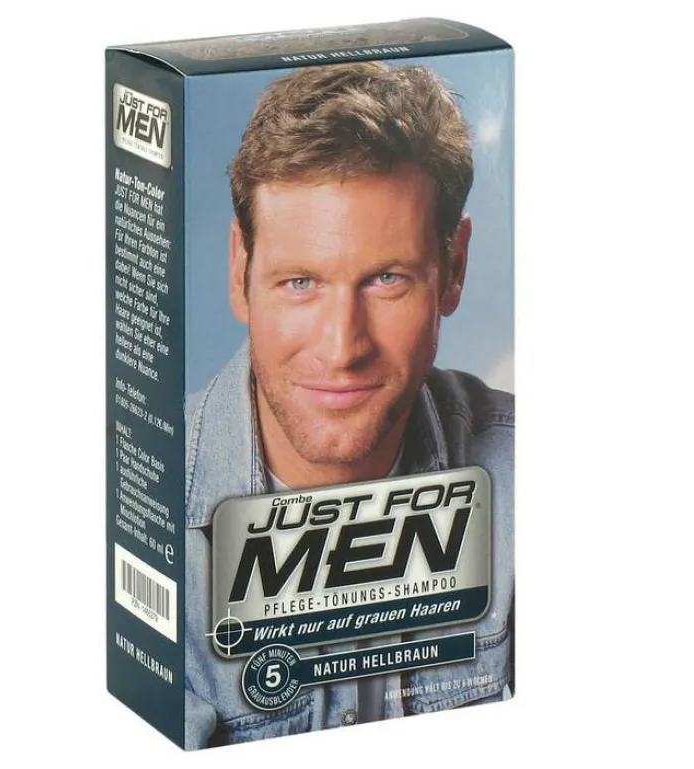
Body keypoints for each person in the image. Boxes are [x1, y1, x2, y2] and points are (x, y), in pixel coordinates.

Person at [183, 61, 514, 748]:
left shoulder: (528, 471)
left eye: (387, 278)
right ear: (241, 272)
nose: (342, 349)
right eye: (300, 282)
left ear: (454, 269)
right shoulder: (128, 506)